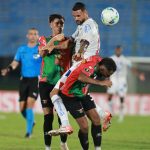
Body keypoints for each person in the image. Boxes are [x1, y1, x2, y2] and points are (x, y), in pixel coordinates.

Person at [49, 2, 112, 135]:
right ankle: (104, 114)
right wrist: (53, 47)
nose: (76, 18)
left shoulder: (88, 25)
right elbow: (70, 41)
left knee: (55, 92)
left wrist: (80, 52)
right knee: (80, 92)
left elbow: (84, 41)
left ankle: (65, 125)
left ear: (85, 12)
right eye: (74, 16)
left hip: (83, 64)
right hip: (83, 64)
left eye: (78, 15)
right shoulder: (82, 26)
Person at [53, 56, 116, 150]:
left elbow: (94, 57)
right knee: (85, 127)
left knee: (96, 120)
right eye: (108, 74)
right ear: (102, 68)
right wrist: (100, 83)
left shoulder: (99, 61)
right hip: (70, 95)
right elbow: (81, 77)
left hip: (82, 92)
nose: (107, 76)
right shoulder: (90, 67)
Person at [38, 14, 72, 150]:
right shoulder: (43, 39)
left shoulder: (69, 40)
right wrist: (53, 40)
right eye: (57, 23)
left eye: (62, 23)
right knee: (48, 117)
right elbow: (42, 54)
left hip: (62, 83)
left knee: (61, 116)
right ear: (50, 24)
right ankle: (47, 148)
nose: (60, 25)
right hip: (46, 82)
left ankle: (63, 143)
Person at [1, 28, 42, 138]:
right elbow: (15, 63)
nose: (33, 36)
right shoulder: (21, 49)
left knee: (29, 104)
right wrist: (8, 69)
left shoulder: (40, 49)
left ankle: (28, 132)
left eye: (35, 34)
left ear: (38, 36)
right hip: (24, 80)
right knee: (21, 108)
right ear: (27, 36)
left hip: (35, 80)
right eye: (31, 34)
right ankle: (31, 121)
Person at [107, 45, 145, 122]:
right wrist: (106, 79)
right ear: (115, 50)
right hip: (113, 79)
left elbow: (132, 69)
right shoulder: (111, 59)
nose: (118, 51)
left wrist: (139, 75)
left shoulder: (125, 60)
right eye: (117, 50)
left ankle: (121, 115)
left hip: (122, 80)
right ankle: (111, 112)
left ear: (121, 51)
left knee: (121, 97)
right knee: (110, 96)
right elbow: (106, 69)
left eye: (119, 50)